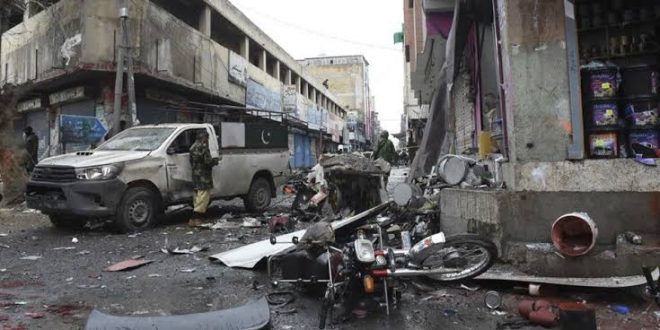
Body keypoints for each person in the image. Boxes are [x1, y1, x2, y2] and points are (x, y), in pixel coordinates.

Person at [188, 131, 220, 226]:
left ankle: (193, 220)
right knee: (204, 197)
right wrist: (216, 160)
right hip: (204, 176)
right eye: (207, 138)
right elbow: (208, 161)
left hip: (195, 175)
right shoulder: (203, 147)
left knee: (197, 197)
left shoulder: (192, 147)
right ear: (204, 138)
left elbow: (191, 161)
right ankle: (196, 218)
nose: (207, 140)